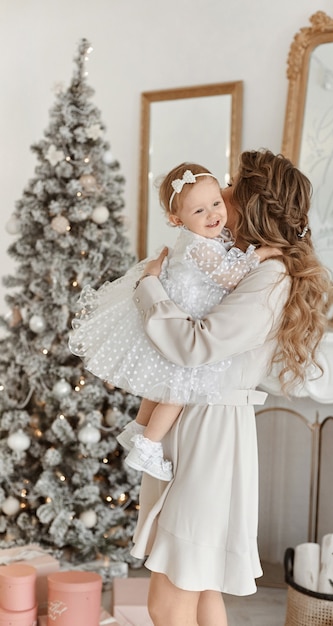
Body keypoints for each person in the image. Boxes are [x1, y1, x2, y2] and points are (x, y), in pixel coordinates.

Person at [129, 149, 332, 626]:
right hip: (199, 421)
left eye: (234, 186)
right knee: (199, 589)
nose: (221, 192)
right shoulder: (242, 263)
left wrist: (150, 288)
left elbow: (196, 346)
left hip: (212, 432)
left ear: (254, 205)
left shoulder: (270, 275)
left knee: (170, 595)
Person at [69, 162, 280, 482]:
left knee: (161, 386)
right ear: (176, 220)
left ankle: (139, 428)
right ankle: (148, 446)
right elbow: (229, 277)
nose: (212, 214)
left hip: (176, 316)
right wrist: (260, 255)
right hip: (181, 319)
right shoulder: (199, 247)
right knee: (177, 391)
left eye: (216, 203)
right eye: (200, 211)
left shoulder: (205, 237)